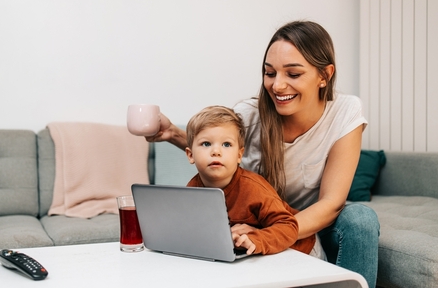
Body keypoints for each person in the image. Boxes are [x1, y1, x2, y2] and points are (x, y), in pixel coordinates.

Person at [146, 20, 380, 288]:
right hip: (258, 225)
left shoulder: (345, 111)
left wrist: (270, 235)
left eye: (293, 74)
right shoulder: (248, 115)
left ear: (324, 75)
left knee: (361, 219)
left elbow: (332, 203)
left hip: (311, 225)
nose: (278, 86)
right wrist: (175, 135)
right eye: (270, 73)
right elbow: (218, 154)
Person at [184, 105, 325, 259]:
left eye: (226, 144)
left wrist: (255, 239)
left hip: (301, 250)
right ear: (190, 155)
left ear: (239, 155)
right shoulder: (192, 190)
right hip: (252, 254)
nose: (216, 151)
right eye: (206, 144)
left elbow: (289, 227)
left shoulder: (253, 188)